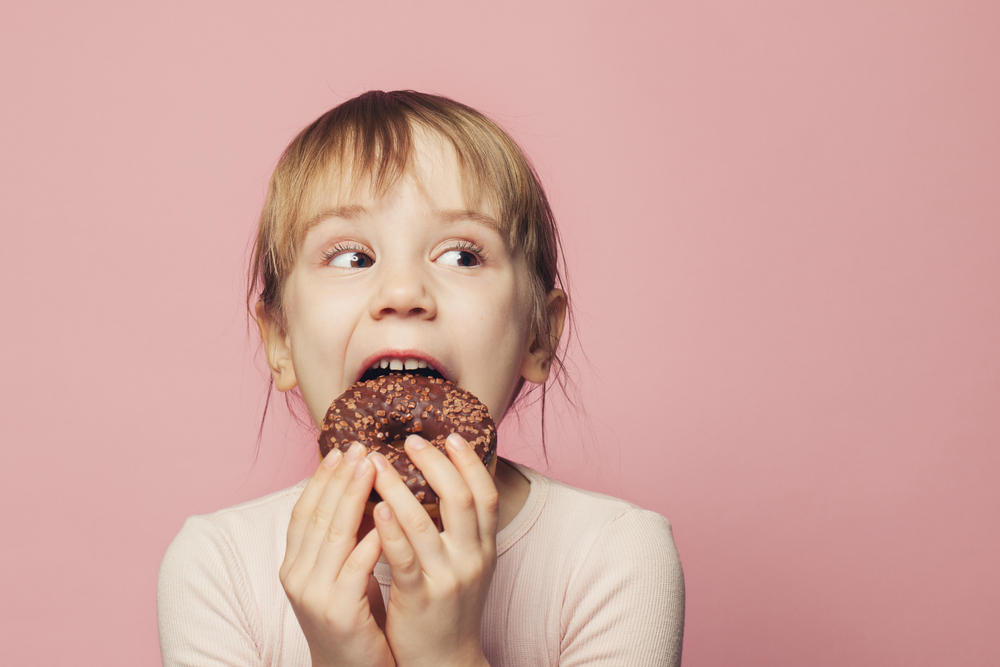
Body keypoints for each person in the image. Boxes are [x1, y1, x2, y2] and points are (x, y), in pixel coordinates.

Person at [157, 90, 684, 667]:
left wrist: (446, 653)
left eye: (461, 256)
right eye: (351, 257)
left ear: (538, 334)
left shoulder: (613, 554)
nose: (403, 294)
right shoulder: (219, 566)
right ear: (280, 341)